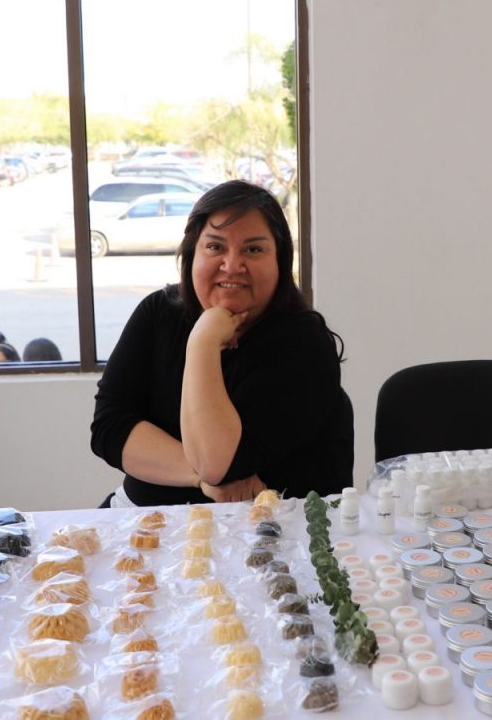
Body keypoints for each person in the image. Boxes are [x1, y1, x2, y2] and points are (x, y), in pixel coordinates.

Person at [90, 179, 353, 506]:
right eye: (215, 247)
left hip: (270, 527)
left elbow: (218, 463)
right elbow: (110, 428)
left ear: (280, 262)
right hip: (144, 516)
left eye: (253, 249)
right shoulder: (159, 312)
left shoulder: (305, 345)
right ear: (192, 254)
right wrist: (198, 478)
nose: (231, 265)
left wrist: (202, 343)